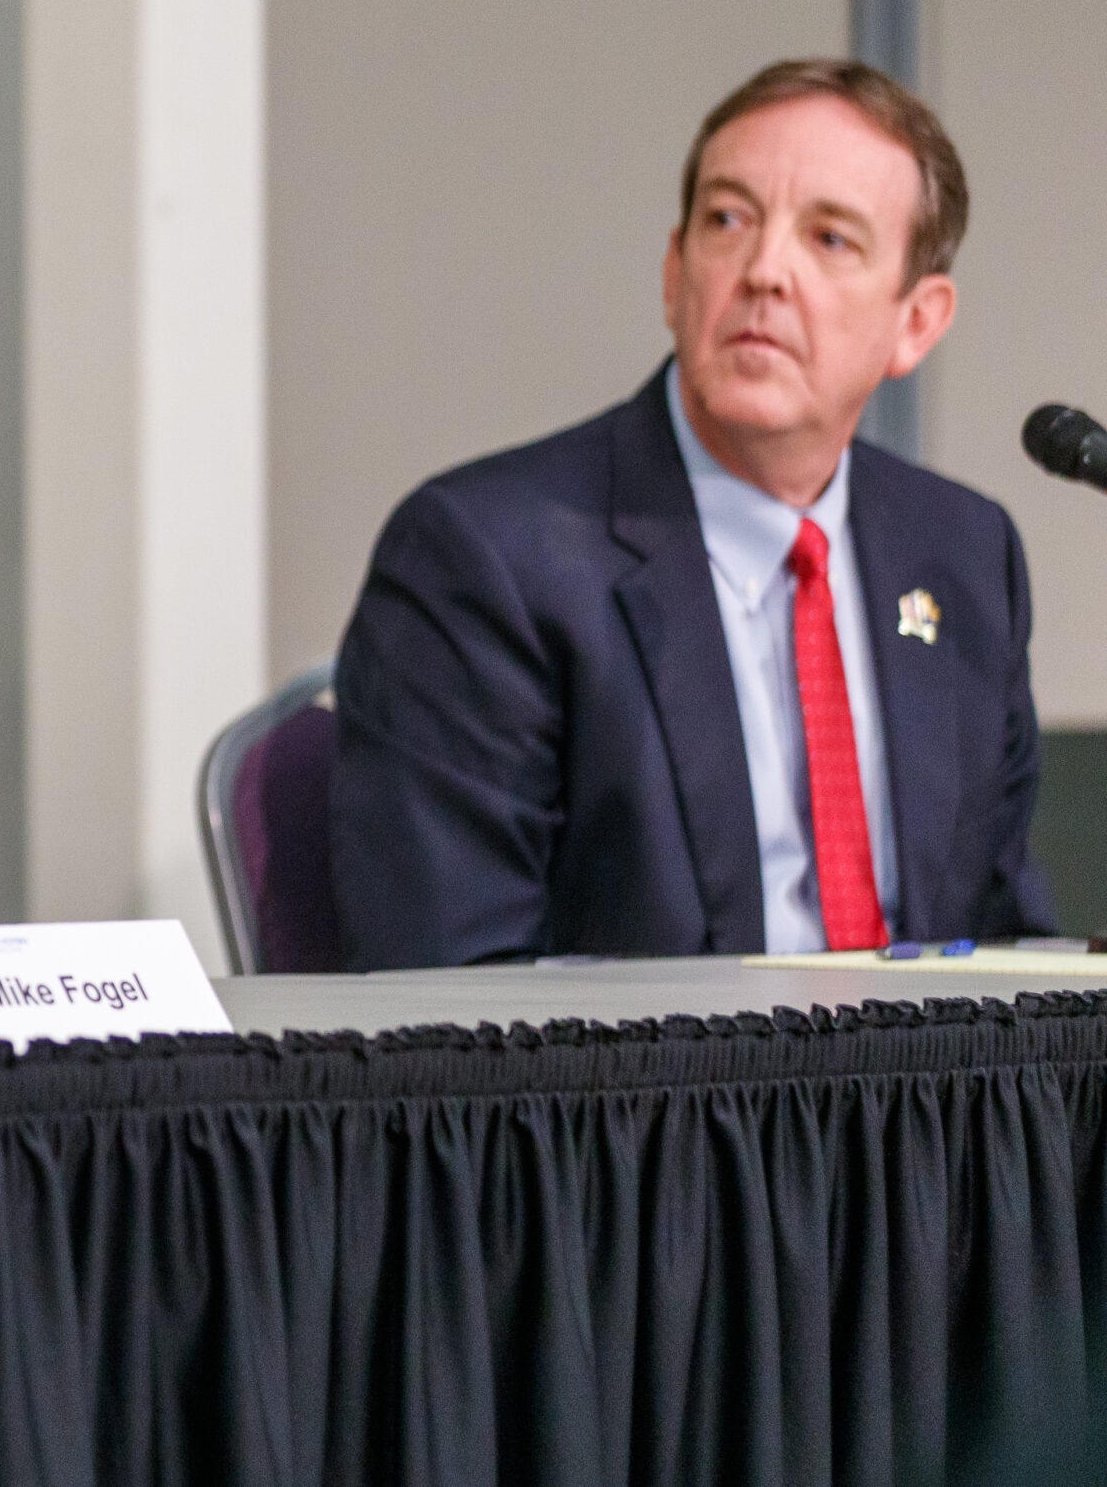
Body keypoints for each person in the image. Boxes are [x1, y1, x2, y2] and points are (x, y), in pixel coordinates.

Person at [331, 58, 1053, 967]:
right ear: (675, 276)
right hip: (638, 1107)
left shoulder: (962, 553)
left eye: (829, 239)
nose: (764, 271)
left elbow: (1006, 944)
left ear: (917, 321)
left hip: (917, 1107)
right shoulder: (485, 560)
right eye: (728, 219)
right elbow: (449, 1001)